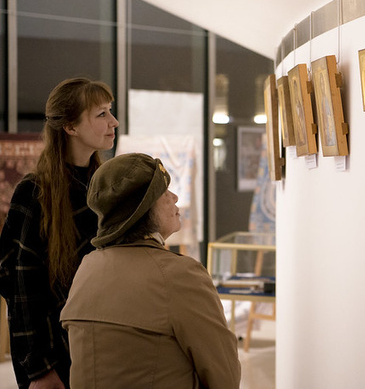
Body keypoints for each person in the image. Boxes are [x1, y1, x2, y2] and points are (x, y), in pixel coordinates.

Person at [60, 153, 241, 388]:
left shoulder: (88, 267)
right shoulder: (179, 274)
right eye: (164, 192)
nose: (175, 198)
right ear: (144, 208)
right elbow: (224, 376)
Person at [0, 77, 119, 389]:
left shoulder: (106, 185)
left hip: (108, 346)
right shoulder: (36, 191)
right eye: (102, 114)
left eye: (110, 111)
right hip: (57, 354)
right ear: (70, 126)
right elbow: (20, 285)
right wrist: (39, 368)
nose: (114, 122)